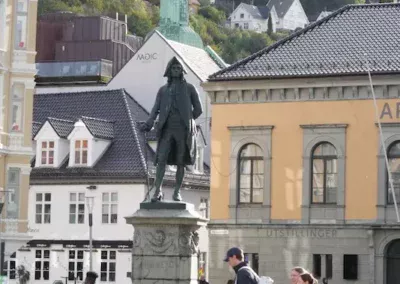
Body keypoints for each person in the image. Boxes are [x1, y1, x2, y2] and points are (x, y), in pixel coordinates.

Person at [142, 56, 203, 202]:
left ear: (182, 71)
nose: (176, 70)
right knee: (161, 159)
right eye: (173, 68)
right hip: (166, 129)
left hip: (183, 130)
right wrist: (149, 123)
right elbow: (155, 109)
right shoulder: (163, 90)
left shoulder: (189, 88)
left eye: (178, 68)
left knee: (181, 161)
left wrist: (188, 119)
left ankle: (177, 192)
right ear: (169, 71)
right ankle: (157, 190)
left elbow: (199, 109)